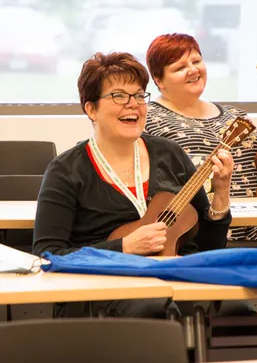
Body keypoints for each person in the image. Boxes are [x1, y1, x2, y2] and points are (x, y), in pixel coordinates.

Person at [33, 52, 233, 318]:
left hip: (178, 279)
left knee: (238, 312)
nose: (133, 104)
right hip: (104, 289)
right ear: (91, 108)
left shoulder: (170, 154)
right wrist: (124, 247)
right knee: (155, 310)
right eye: (118, 96)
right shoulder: (66, 170)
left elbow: (207, 247)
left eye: (139, 96)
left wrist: (221, 197)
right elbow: (47, 255)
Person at [144, 33, 257, 242]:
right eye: (180, 67)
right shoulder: (148, 119)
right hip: (205, 238)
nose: (193, 70)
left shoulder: (236, 115)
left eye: (196, 61)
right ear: (159, 81)